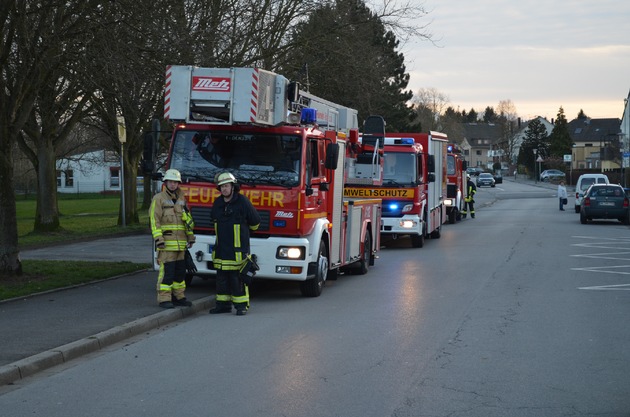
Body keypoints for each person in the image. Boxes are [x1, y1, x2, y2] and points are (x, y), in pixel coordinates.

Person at [209, 172, 261, 316]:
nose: (224, 189)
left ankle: (241, 306)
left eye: (226, 186)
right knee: (221, 279)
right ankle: (223, 305)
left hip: (238, 251)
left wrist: (243, 234)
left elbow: (255, 222)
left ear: (233, 187)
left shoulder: (243, 202)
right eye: (222, 187)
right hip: (221, 250)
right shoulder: (218, 203)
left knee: (237, 279)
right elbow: (213, 220)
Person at [150, 169, 196, 309]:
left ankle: (179, 297)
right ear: (165, 183)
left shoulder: (182, 200)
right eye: (170, 181)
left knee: (180, 274)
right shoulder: (159, 199)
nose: (172, 184)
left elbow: (186, 220)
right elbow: (154, 220)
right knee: (167, 273)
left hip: (181, 244)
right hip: (167, 244)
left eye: (175, 182)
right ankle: (164, 299)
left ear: (178, 183)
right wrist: (159, 239)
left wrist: (190, 237)